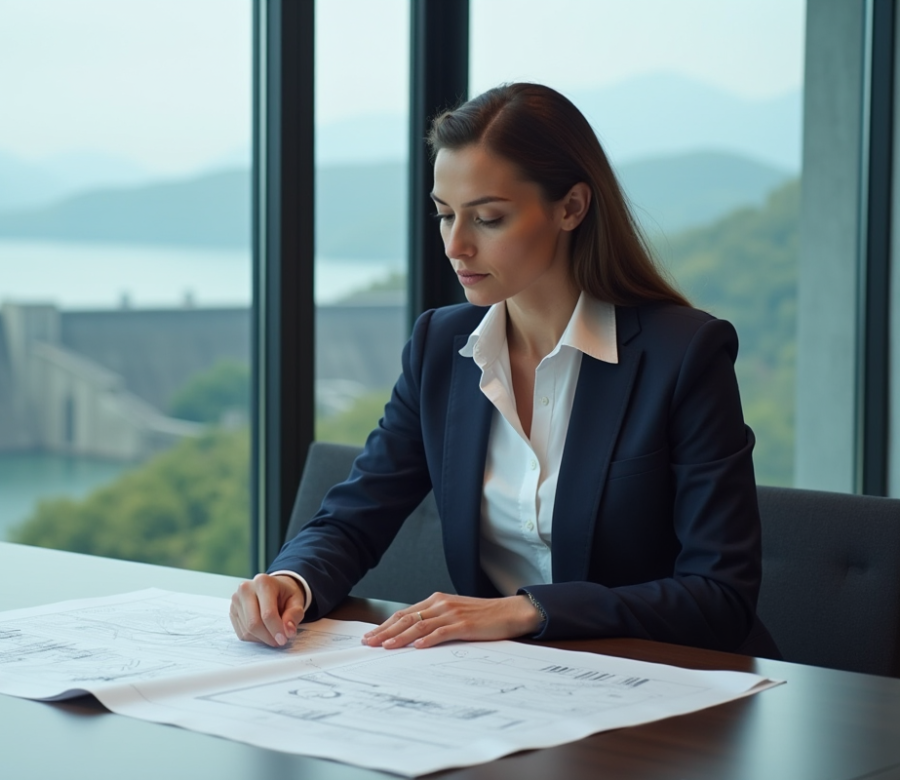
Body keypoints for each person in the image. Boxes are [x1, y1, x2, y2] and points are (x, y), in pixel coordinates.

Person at [229, 82, 779, 658]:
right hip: (510, 689)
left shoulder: (684, 355)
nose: (456, 246)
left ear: (571, 207)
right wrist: (290, 582)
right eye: (445, 216)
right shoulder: (441, 347)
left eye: (488, 218)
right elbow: (355, 516)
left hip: (674, 692)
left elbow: (720, 597)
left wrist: (528, 609)